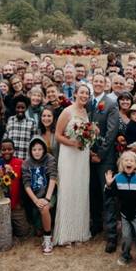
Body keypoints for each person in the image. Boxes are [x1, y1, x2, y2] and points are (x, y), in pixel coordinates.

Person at [53, 83, 93, 245]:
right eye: (81, 93)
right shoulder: (67, 111)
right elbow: (57, 135)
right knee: (68, 190)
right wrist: (72, 143)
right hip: (69, 155)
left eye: (87, 94)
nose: (84, 96)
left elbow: (87, 135)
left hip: (82, 156)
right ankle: (65, 235)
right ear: (75, 94)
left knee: (80, 190)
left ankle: (78, 232)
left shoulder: (85, 112)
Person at [106, 151, 136, 271]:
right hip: (124, 214)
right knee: (126, 237)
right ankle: (126, 256)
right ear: (121, 163)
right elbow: (109, 194)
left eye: (131, 161)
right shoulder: (117, 178)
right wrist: (108, 184)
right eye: (126, 160)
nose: (128, 162)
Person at [89, 73, 120, 250]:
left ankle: (111, 236)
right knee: (92, 192)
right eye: (96, 81)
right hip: (87, 157)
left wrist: (100, 154)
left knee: (107, 195)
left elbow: (111, 132)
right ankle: (96, 225)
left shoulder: (110, 104)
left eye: (101, 81)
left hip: (105, 158)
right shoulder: (87, 102)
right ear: (92, 83)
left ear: (106, 85)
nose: (98, 84)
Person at [0, 139, 28, 237]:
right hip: (0, 205)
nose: (7, 152)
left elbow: (26, 183)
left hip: (16, 205)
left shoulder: (21, 163)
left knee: (23, 232)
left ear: (14, 150)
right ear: (0, 151)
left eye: (9, 149)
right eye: (4, 149)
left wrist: (21, 201)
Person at [22, 137, 58, 254]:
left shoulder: (50, 159)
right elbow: (26, 184)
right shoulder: (26, 163)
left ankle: (48, 239)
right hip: (35, 196)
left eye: (39, 149)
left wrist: (47, 199)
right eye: (34, 149)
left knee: (44, 208)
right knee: (37, 229)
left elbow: (53, 177)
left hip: (49, 193)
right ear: (30, 151)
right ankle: (40, 228)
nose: (37, 152)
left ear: (44, 150)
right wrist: (36, 200)